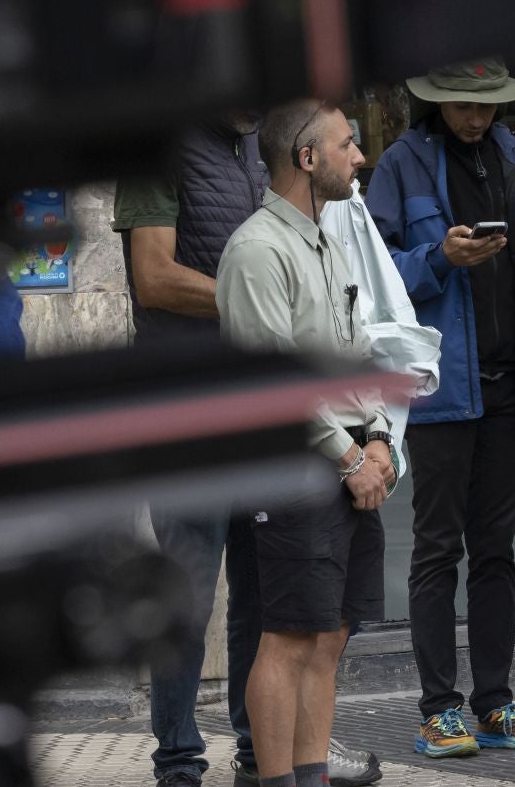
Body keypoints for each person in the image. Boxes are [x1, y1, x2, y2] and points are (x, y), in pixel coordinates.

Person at [115, 120, 383, 787]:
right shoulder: (156, 146)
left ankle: (260, 754)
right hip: (188, 408)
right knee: (187, 587)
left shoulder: (268, 143)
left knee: (270, 595)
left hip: (264, 409)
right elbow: (151, 276)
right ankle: (178, 763)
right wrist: (263, 304)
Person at [365, 58, 515, 759]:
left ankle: (495, 699)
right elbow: (374, 271)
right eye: (461, 106)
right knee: (436, 547)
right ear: (437, 102)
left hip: (510, 384)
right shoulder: (401, 163)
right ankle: (437, 707)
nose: (475, 117)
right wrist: (439, 256)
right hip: (443, 387)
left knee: (496, 550)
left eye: (485, 107)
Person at [216, 100, 393, 787]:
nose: (360, 156)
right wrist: (350, 457)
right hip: (295, 467)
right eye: (347, 145)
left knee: (329, 635)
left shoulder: (329, 239)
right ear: (306, 158)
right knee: (287, 636)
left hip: (350, 462)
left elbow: (358, 351)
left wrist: (378, 439)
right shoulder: (256, 249)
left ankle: (312, 776)